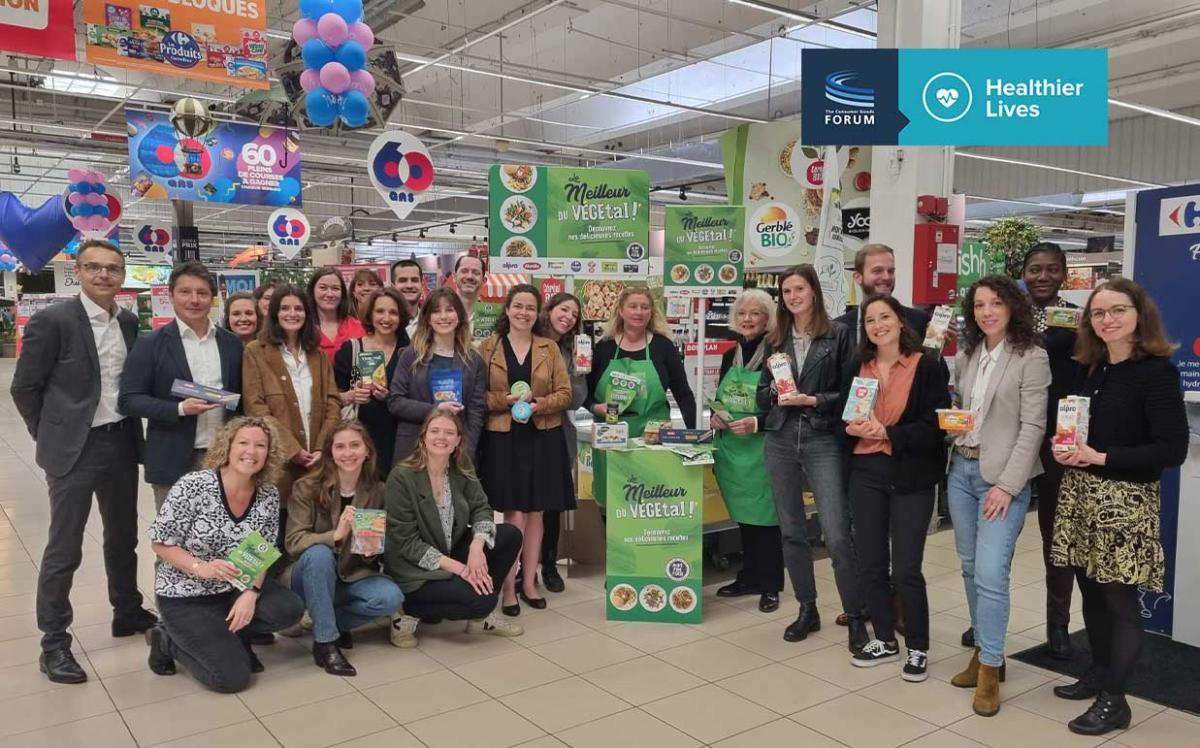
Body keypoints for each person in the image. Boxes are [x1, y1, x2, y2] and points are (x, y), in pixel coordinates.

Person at [10, 239, 156, 684]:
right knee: (64, 546)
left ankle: (126, 610)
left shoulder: (129, 323)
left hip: (120, 443)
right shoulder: (52, 321)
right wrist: (52, 434)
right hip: (75, 449)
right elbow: (24, 388)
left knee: (123, 535)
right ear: (78, 271)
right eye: (94, 268)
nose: (104, 276)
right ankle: (53, 642)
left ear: (123, 273)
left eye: (112, 268)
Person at [1049, 278, 1188, 735]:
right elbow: (1081, 431)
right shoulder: (1091, 368)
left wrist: (1102, 457)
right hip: (1082, 492)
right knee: (1090, 590)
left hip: (1124, 499)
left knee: (1119, 599)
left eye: (1118, 310)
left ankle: (1116, 701)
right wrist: (1067, 448)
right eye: (1098, 312)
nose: (1107, 319)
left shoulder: (1157, 371)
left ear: (1138, 314)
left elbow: (1172, 449)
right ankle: (1100, 671)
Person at [947, 274, 1050, 717]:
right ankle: (985, 650)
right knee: (970, 568)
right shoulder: (969, 353)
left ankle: (990, 668)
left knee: (991, 572)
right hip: (960, 469)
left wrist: (1008, 485)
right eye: (980, 305)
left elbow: (1033, 427)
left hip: (1002, 479)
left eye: (996, 304)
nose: (987, 312)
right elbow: (961, 405)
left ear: (1013, 307)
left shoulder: (1032, 356)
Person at [143, 417, 305, 693]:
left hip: (234, 588)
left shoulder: (267, 494)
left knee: (289, 609)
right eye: (243, 443)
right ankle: (165, 640)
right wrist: (200, 567)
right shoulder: (194, 485)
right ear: (227, 447)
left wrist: (251, 593)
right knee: (231, 679)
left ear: (269, 453)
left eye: (260, 445)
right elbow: (160, 543)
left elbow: (260, 549)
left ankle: (233, 635)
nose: (251, 452)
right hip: (187, 596)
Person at [756, 264, 866, 651]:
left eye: (799, 289)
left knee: (836, 533)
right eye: (786, 292)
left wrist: (814, 399)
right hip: (781, 438)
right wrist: (773, 393)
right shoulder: (776, 338)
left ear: (814, 291)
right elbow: (761, 392)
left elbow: (853, 393)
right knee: (791, 530)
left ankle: (855, 615)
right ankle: (807, 608)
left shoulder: (836, 336)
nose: (792, 297)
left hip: (823, 439)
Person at [844, 294, 950, 682]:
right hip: (865, 470)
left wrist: (887, 432)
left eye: (884, 316)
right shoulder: (859, 366)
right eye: (870, 320)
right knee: (871, 562)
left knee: (906, 568)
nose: (877, 325)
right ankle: (885, 639)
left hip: (911, 473)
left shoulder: (927, 365)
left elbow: (934, 424)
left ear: (901, 322)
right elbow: (847, 413)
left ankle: (918, 646)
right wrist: (853, 427)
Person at [384, 411, 524, 645]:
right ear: (423, 437)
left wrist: (476, 548)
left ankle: (480, 619)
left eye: (450, 432)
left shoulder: (460, 466)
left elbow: (482, 507)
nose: (442, 437)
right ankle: (406, 612)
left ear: (458, 440)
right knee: (481, 600)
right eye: (435, 431)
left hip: (448, 549)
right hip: (414, 568)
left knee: (510, 535)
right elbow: (407, 544)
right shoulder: (402, 477)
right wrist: (462, 569)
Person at [478, 285, 575, 615]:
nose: (523, 312)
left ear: (538, 314)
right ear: (507, 310)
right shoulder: (488, 348)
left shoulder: (548, 348)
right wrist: (502, 401)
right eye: (517, 306)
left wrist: (539, 404)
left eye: (530, 308)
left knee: (536, 514)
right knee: (513, 514)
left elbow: (566, 395)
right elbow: (477, 396)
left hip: (542, 436)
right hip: (503, 438)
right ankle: (508, 585)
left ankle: (529, 581)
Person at [120, 261, 244, 509]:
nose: (194, 300)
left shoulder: (231, 343)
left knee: (225, 533)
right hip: (173, 456)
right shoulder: (151, 344)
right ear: (171, 295)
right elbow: (129, 399)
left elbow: (240, 395)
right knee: (173, 539)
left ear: (212, 298)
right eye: (185, 292)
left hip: (224, 456)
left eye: (202, 293)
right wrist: (178, 409)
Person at [285, 421, 405, 676]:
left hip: (352, 575)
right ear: (330, 453)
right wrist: (335, 535)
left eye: (354, 445)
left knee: (390, 597)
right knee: (318, 554)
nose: (348, 453)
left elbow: (387, 541)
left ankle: (326, 621)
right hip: (308, 577)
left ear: (367, 451)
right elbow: (294, 543)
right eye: (340, 447)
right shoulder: (306, 488)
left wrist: (376, 549)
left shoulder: (378, 491)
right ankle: (326, 643)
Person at [1021, 242, 1081, 660]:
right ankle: (985, 616)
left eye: (1051, 270)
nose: (1043, 276)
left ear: (1063, 273)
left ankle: (1057, 624)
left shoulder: (1078, 319)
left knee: (1055, 535)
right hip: (1014, 434)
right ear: (1023, 273)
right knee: (998, 534)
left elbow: (1087, 372)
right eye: (1035, 269)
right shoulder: (1006, 312)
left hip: (1058, 437)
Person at [586, 287, 696, 511]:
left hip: (653, 435)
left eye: (645, 307)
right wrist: (595, 407)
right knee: (613, 502)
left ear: (652, 312)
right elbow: (582, 392)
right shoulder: (604, 348)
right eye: (633, 306)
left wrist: (694, 434)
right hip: (611, 436)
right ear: (621, 311)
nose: (639, 312)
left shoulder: (663, 347)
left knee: (649, 499)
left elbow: (683, 392)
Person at [711, 289, 784, 614]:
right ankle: (749, 577)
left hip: (763, 449)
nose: (748, 319)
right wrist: (716, 416)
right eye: (742, 314)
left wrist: (756, 422)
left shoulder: (778, 355)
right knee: (744, 519)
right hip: (733, 453)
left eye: (755, 313)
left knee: (766, 521)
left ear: (768, 319)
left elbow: (787, 404)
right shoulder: (731, 354)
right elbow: (721, 396)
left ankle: (770, 585)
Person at [243, 284, 343, 502]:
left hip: (318, 463)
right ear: (274, 313)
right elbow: (256, 407)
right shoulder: (255, 351)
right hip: (278, 463)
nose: (292, 314)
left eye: (298, 308)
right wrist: (292, 449)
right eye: (284, 308)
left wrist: (321, 447)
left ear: (307, 314)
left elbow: (333, 402)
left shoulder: (318, 356)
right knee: (278, 525)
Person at [388, 288, 487, 465]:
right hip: (413, 446)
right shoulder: (410, 355)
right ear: (427, 318)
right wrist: (436, 409)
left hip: (455, 449)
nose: (443, 316)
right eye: (436, 311)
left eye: (449, 310)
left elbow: (476, 411)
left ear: (459, 315)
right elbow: (395, 401)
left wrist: (468, 450)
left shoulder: (474, 360)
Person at [532, 292, 588, 593]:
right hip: (524, 432)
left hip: (558, 434)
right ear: (549, 310)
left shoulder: (573, 351)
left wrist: (577, 374)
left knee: (552, 504)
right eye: (563, 309)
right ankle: (523, 566)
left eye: (574, 314)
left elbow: (576, 398)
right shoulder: (528, 340)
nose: (568, 316)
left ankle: (550, 564)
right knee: (525, 503)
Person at [334, 288, 411, 476]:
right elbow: (333, 395)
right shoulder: (351, 349)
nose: (386, 318)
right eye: (380, 311)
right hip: (359, 434)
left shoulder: (408, 352)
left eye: (393, 312)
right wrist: (351, 395)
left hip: (397, 437)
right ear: (370, 314)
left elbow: (415, 395)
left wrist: (390, 397)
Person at [834, 244, 931, 342]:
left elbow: (926, 356)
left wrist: (935, 345)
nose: (886, 277)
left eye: (890, 271)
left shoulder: (918, 320)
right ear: (858, 277)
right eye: (877, 271)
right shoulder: (838, 329)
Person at [308, 267, 365, 362]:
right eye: (323, 288)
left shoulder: (359, 328)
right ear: (312, 291)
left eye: (335, 288)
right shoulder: (303, 329)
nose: (330, 294)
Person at [390, 259, 424, 339]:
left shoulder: (432, 319)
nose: (409, 285)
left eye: (414, 280)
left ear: (421, 285)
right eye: (403, 280)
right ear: (393, 286)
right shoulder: (385, 321)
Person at [452, 254, 485, 332]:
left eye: (476, 272)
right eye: (464, 271)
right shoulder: (440, 315)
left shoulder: (490, 317)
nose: (470, 276)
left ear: (484, 281)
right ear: (454, 277)